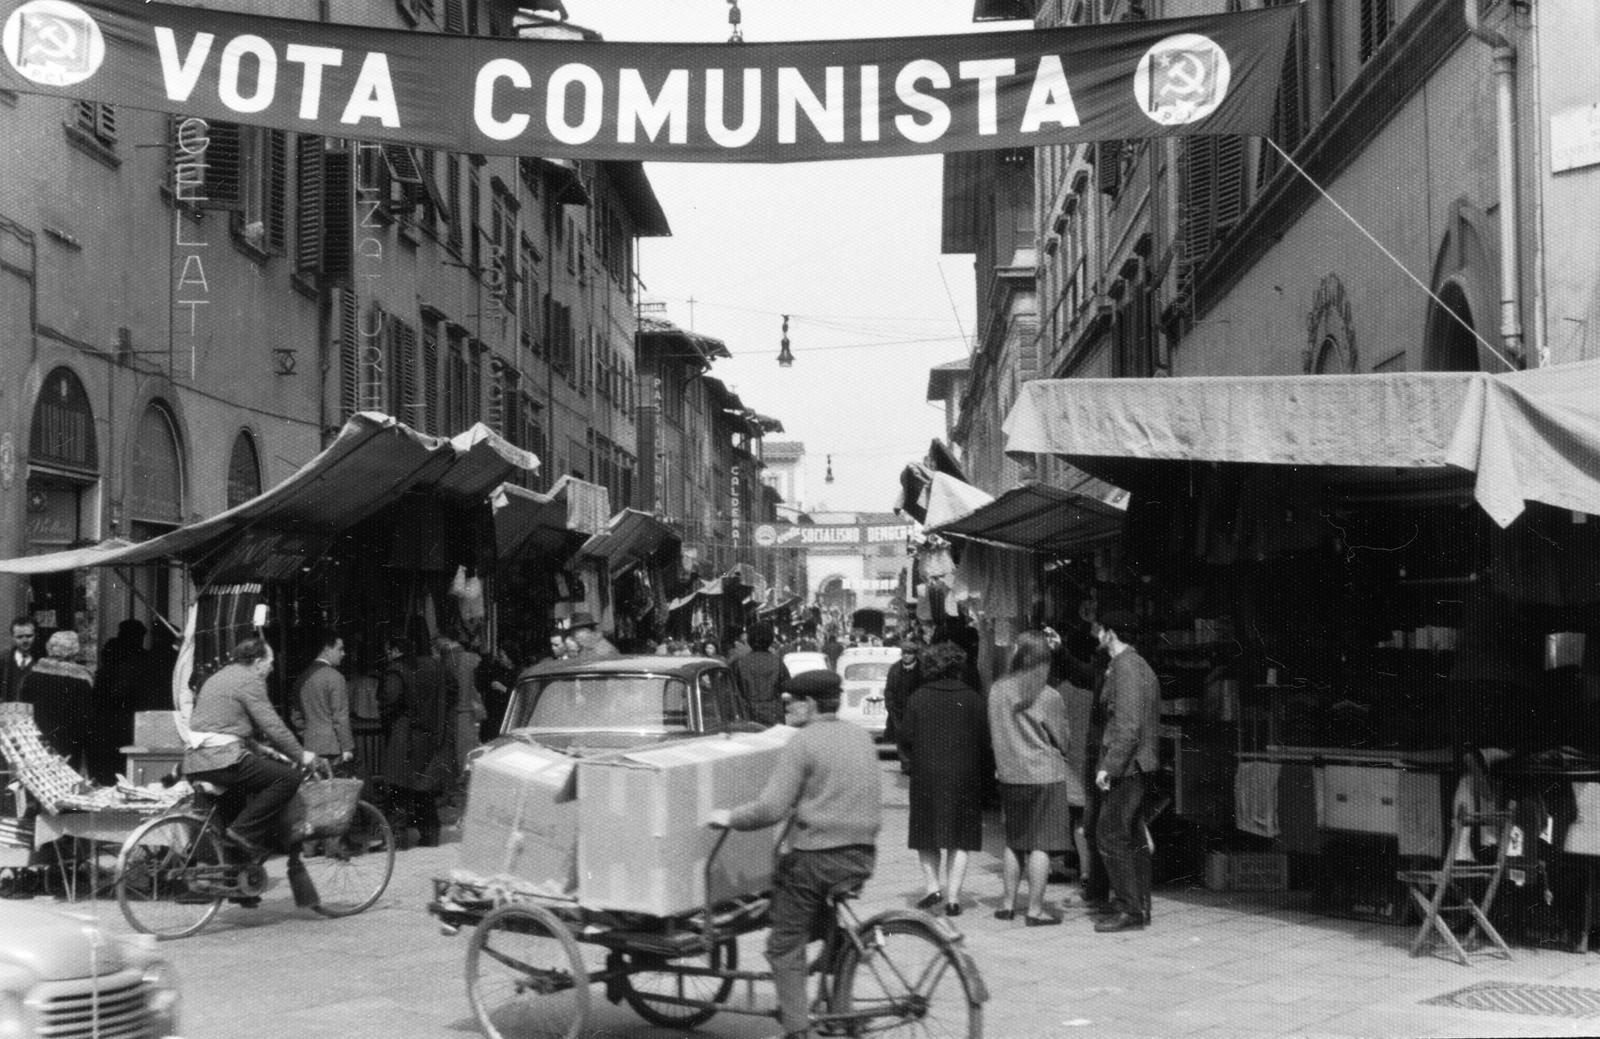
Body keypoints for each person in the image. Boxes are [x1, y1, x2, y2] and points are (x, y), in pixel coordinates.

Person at [704, 669, 881, 1039]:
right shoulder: (860, 737)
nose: (786, 709)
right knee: (819, 921)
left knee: (784, 945)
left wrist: (729, 817)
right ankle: (837, 1001)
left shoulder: (803, 743)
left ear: (811, 704)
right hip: (862, 854)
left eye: (791, 702)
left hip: (817, 858)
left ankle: (796, 1030)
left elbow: (770, 809)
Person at [183, 637, 318, 863]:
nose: (272, 668)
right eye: (270, 662)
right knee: (288, 778)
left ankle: (239, 887)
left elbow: (222, 723)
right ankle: (243, 832)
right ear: (257, 662)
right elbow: (272, 725)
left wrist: (259, 748)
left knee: (232, 816)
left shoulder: (220, 676)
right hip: (222, 760)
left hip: (197, 761)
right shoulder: (249, 680)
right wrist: (301, 754)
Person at [987, 631, 1073, 925]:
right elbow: (1063, 741)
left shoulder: (997, 691)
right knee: (1041, 844)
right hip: (1044, 776)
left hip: (1010, 775)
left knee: (1014, 841)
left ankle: (1007, 905)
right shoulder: (1048, 696)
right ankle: (1035, 911)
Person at [897, 640, 988, 916]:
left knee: (927, 834)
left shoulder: (918, 697)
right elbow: (984, 740)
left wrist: (913, 761)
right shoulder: (973, 698)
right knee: (960, 837)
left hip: (927, 774)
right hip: (964, 774)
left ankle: (932, 887)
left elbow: (905, 737)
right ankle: (953, 898)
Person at [1091, 610, 1161, 933]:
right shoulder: (1135, 665)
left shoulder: (1127, 668)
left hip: (1128, 767)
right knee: (1132, 835)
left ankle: (1129, 909)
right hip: (1136, 765)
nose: (1095, 633)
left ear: (1111, 632)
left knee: (1110, 834)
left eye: (1099, 628)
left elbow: (1129, 727)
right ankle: (1139, 905)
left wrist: (1109, 767)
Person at [379, 636, 458, 847]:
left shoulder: (397, 669)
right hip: (430, 735)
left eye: (388, 650)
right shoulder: (435, 666)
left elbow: (390, 700)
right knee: (423, 787)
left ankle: (396, 837)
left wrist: (388, 718)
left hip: (404, 734)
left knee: (398, 787)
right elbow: (453, 690)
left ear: (395, 650)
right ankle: (430, 834)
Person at [18, 630, 93, 773]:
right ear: (74, 651)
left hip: (36, 742)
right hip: (69, 743)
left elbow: (22, 710)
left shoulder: (31, 677)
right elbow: (86, 719)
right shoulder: (81, 680)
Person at [294, 629, 354, 774]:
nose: (343, 653)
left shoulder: (302, 677)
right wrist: (347, 748)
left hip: (309, 745)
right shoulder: (335, 677)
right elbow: (340, 716)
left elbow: (295, 716)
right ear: (327, 649)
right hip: (333, 747)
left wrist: (307, 733)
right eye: (340, 649)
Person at [730, 621, 790, 726]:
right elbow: (787, 687)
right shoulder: (777, 661)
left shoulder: (739, 662)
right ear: (770, 639)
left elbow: (732, 690)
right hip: (774, 713)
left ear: (750, 639)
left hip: (748, 713)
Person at [2, 616, 38, 704]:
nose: (25, 640)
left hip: (34, 713)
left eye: (29, 636)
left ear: (36, 635)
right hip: (7, 712)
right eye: (19, 637)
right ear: (12, 637)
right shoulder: (3, 660)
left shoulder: (42, 661)